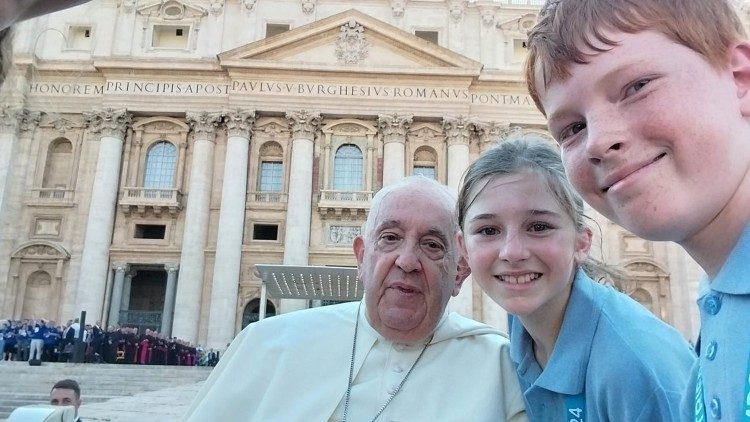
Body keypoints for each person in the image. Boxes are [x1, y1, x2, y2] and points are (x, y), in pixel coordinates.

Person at [523, 0, 750, 419]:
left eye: (636, 86)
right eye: (572, 128)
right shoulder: (719, 304)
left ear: (740, 78)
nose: (597, 141)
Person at [185, 176, 527, 421]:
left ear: (459, 271)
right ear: (361, 258)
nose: (406, 261)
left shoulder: (502, 369)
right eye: (390, 238)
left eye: (432, 245)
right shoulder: (264, 345)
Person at [456, 139, 696, 420]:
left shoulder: (635, 369)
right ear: (463, 249)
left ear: (581, 243)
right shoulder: (525, 325)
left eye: (539, 227)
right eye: (487, 230)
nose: (512, 252)